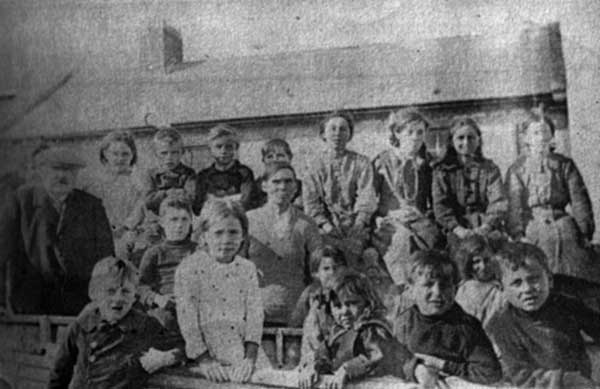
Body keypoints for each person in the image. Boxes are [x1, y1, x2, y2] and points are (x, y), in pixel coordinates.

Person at [0, 147, 114, 315]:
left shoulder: (92, 206)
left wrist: (105, 300)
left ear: (76, 175)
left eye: (69, 171)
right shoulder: (21, 201)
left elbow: (106, 258)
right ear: (42, 171)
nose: (62, 176)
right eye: (56, 169)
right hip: (30, 302)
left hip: (79, 304)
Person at [174, 200, 270, 383]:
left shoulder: (247, 268)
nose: (226, 240)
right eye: (218, 233)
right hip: (206, 356)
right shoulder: (189, 269)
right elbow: (188, 321)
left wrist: (249, 359)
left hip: (244, 353)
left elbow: (255, 317)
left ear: (243, 235)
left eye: (234, 232)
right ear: (204, 236)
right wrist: (205, 360)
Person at [48, 256, 180, 389]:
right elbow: (59, 373)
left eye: (126, 291)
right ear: (95, 293)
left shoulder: (145, 325)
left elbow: (185, 347)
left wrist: (167, 357)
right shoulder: (82, 324)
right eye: (110, 291)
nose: (118, 298)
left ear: (134, 296)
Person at [486, 242, 600, 388]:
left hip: (584, 379)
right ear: (501, 287)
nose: (527, 289)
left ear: (550, 280)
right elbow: (522, 376)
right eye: (516, 283)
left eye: (534, 279)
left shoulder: (567, 305)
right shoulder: (503, 325)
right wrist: (567, 381)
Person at [298, 270, 434, 389]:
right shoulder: (337, 333)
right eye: (337, 306)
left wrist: (346, 370)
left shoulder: (372, 330)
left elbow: (375, 356)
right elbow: (323, 355)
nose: (344, 312)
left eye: (352, 303)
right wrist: (314, 367)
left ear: (367, 303)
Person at [506, 113, 597, 283]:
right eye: (535, 133)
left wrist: (585, 231)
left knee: (576, 269)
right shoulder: (517, 169)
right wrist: (518, 235)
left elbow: (579, 199)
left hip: (563, 223)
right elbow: (514, 206)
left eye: (545, 132)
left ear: (552, 136)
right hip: (533, 226)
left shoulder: (564, 165)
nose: (540, 138)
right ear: (526, 138)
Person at [392, 250, 502, 385]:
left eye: (444, 286)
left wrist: (443, 365)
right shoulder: (405, 322)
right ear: (410, 290)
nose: (437, 292)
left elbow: (490, 372)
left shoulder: (465, 327)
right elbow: (394, 359)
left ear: (455, 289)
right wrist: (415, 368)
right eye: (428, 285)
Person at [372, 108, 445, 285]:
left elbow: (432, 200)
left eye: (420, 132)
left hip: (418, 220)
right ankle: (403, 288)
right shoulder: (382, 162)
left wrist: (422, 214)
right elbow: (370, 197)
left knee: (433, 238)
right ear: (397, 133)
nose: (415, 137)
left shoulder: (426, 164)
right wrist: (384, 216)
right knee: (401, 240)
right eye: (409, 132)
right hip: (388, 221)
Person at [247, 161, 322, 325]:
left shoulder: (306, 224)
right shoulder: (248, 221)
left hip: (295, 312)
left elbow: (318, 271)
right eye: (276, 181)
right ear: (264, 185)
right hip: (255, 312)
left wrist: (304, 306)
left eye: (288, 181)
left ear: (295, 187)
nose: (282, 187)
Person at [303, 110, 377, 270]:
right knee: (326, 257)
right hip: (326, 228)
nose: (338, 133)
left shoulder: (362, 163)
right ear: (323, 134)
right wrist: (327, 227)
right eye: (333, 129)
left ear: (350, 134)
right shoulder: (313, 166)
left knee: (355, 252)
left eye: (343, 129)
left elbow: (367, 197)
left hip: (355, 226)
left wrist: (358, 225)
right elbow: (311, 203)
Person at [432, 116, 507, 249]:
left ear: (478, 140)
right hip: (455, 228)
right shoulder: (442, 171)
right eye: (460, 138)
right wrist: (457, 229)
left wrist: (486, 226)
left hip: (486, 226)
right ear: (452, 141)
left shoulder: (490, 169)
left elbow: (498, 202)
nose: (466, 142)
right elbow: (440, 206)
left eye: (471, 137)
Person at [138, 195, 197, 348]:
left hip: (194, 306)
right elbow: (139, 286)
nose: (179, 225)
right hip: (166, 307)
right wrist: (157, 298)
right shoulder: (154, 253)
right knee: (160, 321)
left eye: (184, 219)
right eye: (174, 219)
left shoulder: (199, 251)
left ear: (191, 222)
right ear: (162, 222)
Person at [80, 130, 144, 238]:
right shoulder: (93, 186)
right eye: (115, 154)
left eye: (125, 154)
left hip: (130, 237)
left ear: (132, 155)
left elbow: (139, 214)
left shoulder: (139, 186)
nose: (120, 159)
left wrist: (125, 228)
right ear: (105, 154)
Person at [194, 124, 258, 213]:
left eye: (229, 147)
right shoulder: (203, 175)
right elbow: (198, 206)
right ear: (210, 149)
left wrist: (214, 200)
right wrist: (234, 199)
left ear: (236, 147)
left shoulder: (244, 173)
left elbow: (246, 202)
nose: (223, 151)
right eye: (218, 147)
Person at [289, 245, 347, 328]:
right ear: (315, 273)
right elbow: (295, 324)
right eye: (326, 268)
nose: (332, 272)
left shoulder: (351, 290)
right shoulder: (311, 293)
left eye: (336, 268)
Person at [142, 127, 196, 216]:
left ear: (182, 152)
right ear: (156, 154)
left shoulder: (188, 173)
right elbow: (147, 201)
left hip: (180, 216)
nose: (169, 157)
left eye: (174, 152)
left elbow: (191, 197)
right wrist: (167, 193)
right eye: (164, 153)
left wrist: (162, 196)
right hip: (157, 217)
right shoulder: (151, 174)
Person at [454, 235, 504, 327]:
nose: (483, 266)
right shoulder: (468, 290)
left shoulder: (501, 282)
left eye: (487, 260)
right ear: (468, 264)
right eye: (476, 262)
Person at [251, 138, 303, 209]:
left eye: (280, 156)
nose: (275, 159)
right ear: (263, 160)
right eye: (270, 157)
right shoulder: (256, 186)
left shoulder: (299, 185)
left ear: (290, 157)